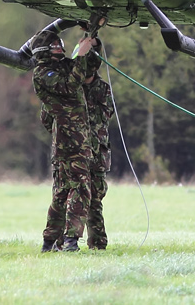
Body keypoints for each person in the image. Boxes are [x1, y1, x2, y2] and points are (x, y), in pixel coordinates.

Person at [30, 30, 96, 253]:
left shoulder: (62, 66)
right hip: (68, 141)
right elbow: (70, 86)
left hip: (77, 138)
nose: (60, 47)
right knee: (79, 188)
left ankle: (49, 243)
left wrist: (89, 42)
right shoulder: (43, 73)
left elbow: (87, 69)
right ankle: (69, 240)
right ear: (44, 49)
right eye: (55, 45)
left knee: (63, 191)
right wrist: (81, 56)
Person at [81, 41, 114, 250]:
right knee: (71, 196)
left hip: (97, 153)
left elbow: (106, 114)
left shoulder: (103, 89)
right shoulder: (72, 87)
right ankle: (66, 240)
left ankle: (98, 242)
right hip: (75, 151)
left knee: (95, 199)